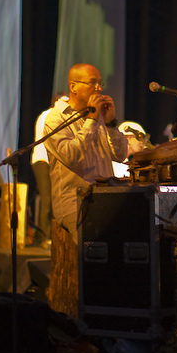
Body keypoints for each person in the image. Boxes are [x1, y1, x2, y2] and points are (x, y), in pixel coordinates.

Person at [44, 64, 128, 243]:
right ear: (73, 86)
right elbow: (70, 156)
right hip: (75, 202)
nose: (99, 88)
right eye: (92, 83)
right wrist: (91, 121)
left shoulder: (97, 116)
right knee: (94, 247)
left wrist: (111, 123)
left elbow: (120, 155)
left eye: (100, 83)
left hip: (106, 197)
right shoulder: (56, 118)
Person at [31, 92, 67, 246]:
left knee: (54, 198)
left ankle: (51, 235)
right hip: (42, 161)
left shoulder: (58, 118)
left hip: (51, 161)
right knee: (47, 199)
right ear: (56, 102)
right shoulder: (47, 116)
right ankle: (41, 237)